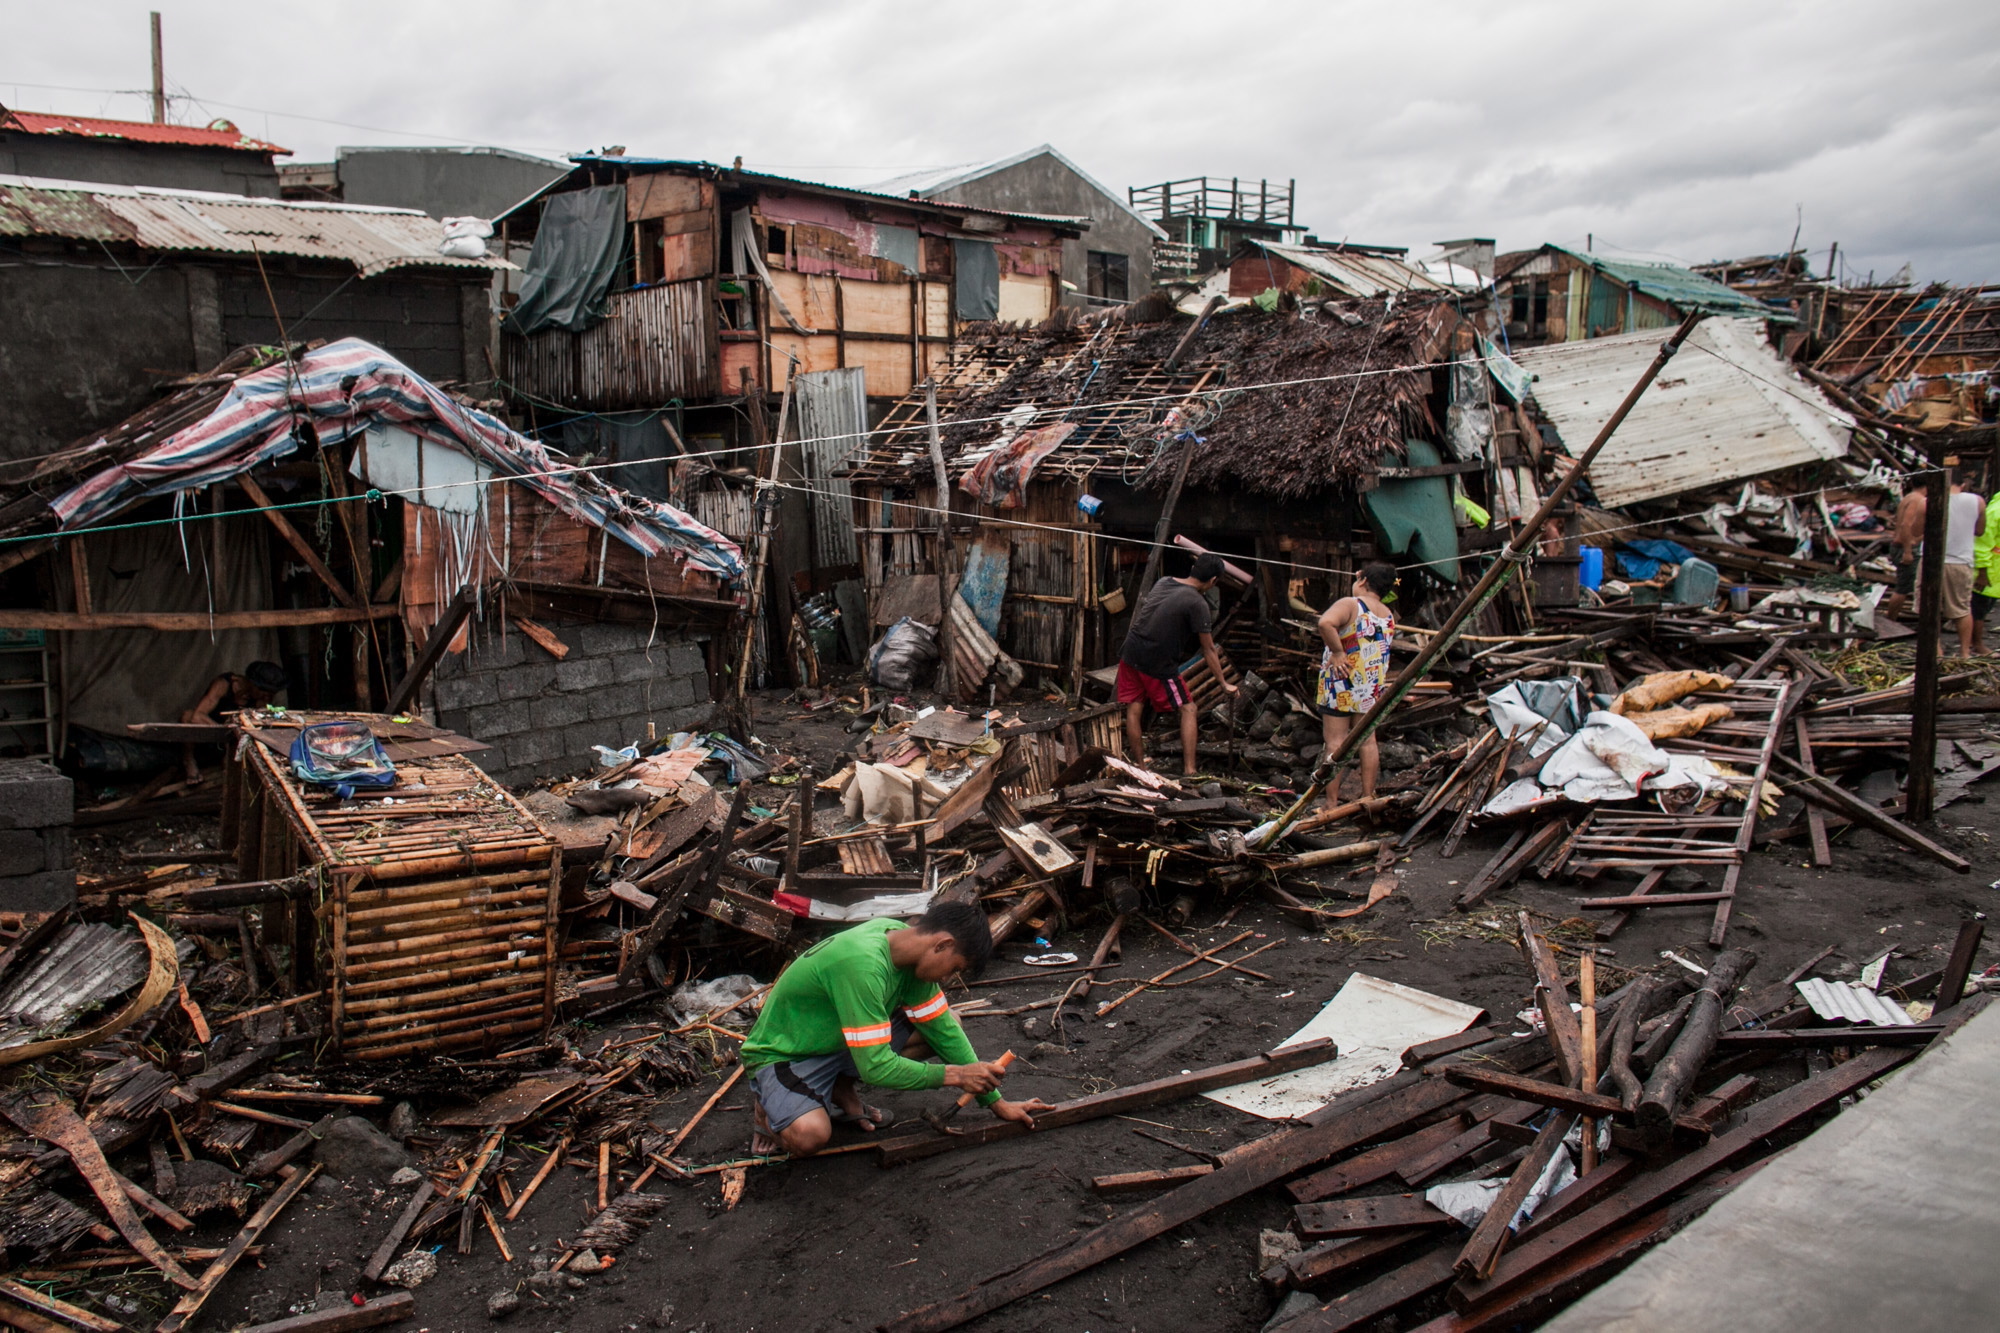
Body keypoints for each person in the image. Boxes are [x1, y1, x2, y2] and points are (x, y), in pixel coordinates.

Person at [741, 903, 1052, 1157]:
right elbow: (876, 1067)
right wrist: (956, 1075)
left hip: (836, 1042)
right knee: (809, 1137)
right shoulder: (862, 964)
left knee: (949, 1021)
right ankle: (768, 1106)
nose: (947, 978)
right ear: (942, 944)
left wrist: (996, 1103)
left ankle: (837, 1085)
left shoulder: (903, 944)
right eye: (955, 968)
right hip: (785, 1054)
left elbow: (942, 1029)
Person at [1116, 552, 1240, 775]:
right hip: (1157, 661)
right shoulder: (1197, 602)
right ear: (1213, 581)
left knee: (1134, 709)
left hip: (1131, 651)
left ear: (1194, 568)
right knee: (1189, 708)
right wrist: (1223, 684)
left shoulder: (1164, 581)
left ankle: (1141, 768)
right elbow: (1209, 648)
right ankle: (1190, 770)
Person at [1315, 562, 1398, 810]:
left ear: (1362, 580)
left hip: (1342, 683)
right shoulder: (1388, 614)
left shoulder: (1352, 604)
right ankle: (1367, 797)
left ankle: (1331, 803)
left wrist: (1338, 652)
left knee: (1335, 743)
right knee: (1368, 741)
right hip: (1370, 687)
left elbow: (1324, 623)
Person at [179, 661, 287, 782]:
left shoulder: (262, 699)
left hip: (232, 743)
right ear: (253, 684)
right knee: (187, 716)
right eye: (265, 692)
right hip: (210, 735)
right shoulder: (224, 684)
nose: (267, 697)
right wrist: (225, 732)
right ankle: (189, 760)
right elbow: (197, 717)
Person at [1943, 476, 1988, 656]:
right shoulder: (1977, 501)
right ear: (1962, 484)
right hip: (1962, 561)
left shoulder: (1928, 501)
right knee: (1962, 608)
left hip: (1933, 560)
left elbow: (1916, 530)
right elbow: (1980, 531)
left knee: (1929, 608)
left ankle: (1936, 650)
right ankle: (1964, 652)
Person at [1882, 488, 1927, 624]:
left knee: (1905, 585)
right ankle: (1891, 620)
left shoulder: (1909, 497)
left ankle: (1892, 619)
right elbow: (1906, 525)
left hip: (1902, 545)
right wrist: (1908, 551)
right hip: (1906, 547)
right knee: (1903, 587)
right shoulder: (1917, 500)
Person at [1972, 488, 2000, 653]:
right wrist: (1982, 572)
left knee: (1985, 606)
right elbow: (1981, 543)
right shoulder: (1995, 511)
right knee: (1979, 608)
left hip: (1995, 570)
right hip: (1988, 569)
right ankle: (1977, 644)